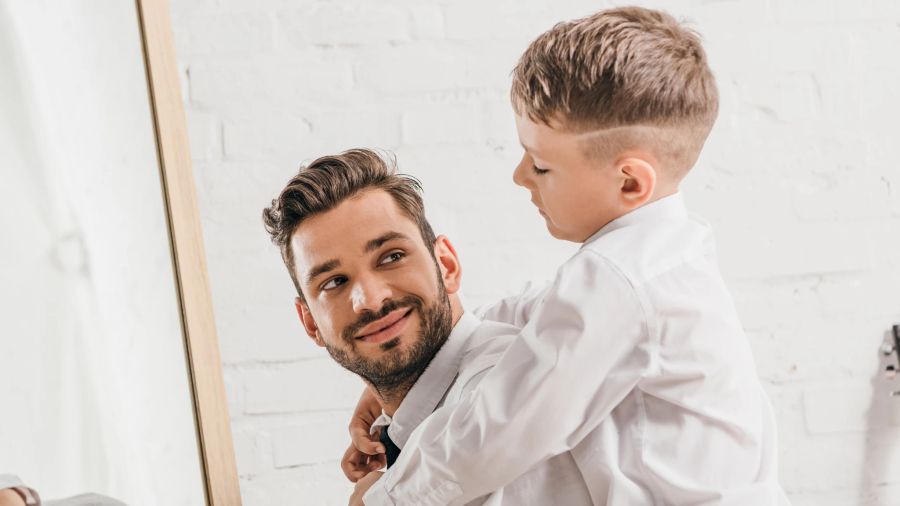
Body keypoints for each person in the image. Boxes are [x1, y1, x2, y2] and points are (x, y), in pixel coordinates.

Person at [348, 7, 788, 506]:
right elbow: (537, 312)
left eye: (540, 164)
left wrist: (388, 498)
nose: (520, 175)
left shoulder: (617, 278)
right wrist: (426, 372)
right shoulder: (663, 255)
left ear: (629, 182)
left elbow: (500, 431)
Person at [261, 149, 594, 504]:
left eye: (391, 257)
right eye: (334, 282)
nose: (370, 300)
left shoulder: (502, 393)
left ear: (446, 265)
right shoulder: (414, 420)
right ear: (311, 323)